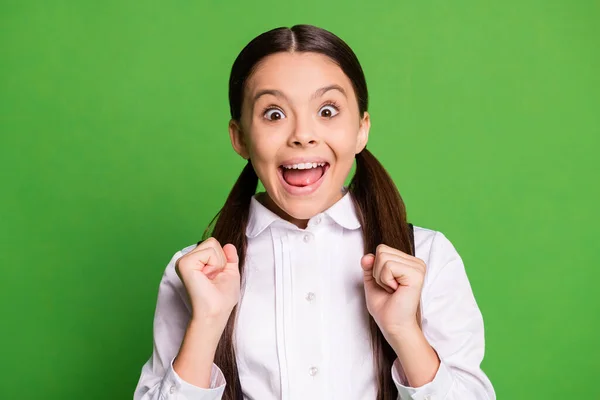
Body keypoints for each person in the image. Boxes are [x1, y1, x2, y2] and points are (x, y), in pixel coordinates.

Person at [133, 24, 496, 400]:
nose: (302, 134)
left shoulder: (427, 257)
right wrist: (207, 323)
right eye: (274, 114)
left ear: (361, 129)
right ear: (239, 137)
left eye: (327, 110)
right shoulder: (195, 276)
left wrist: (404, 330)